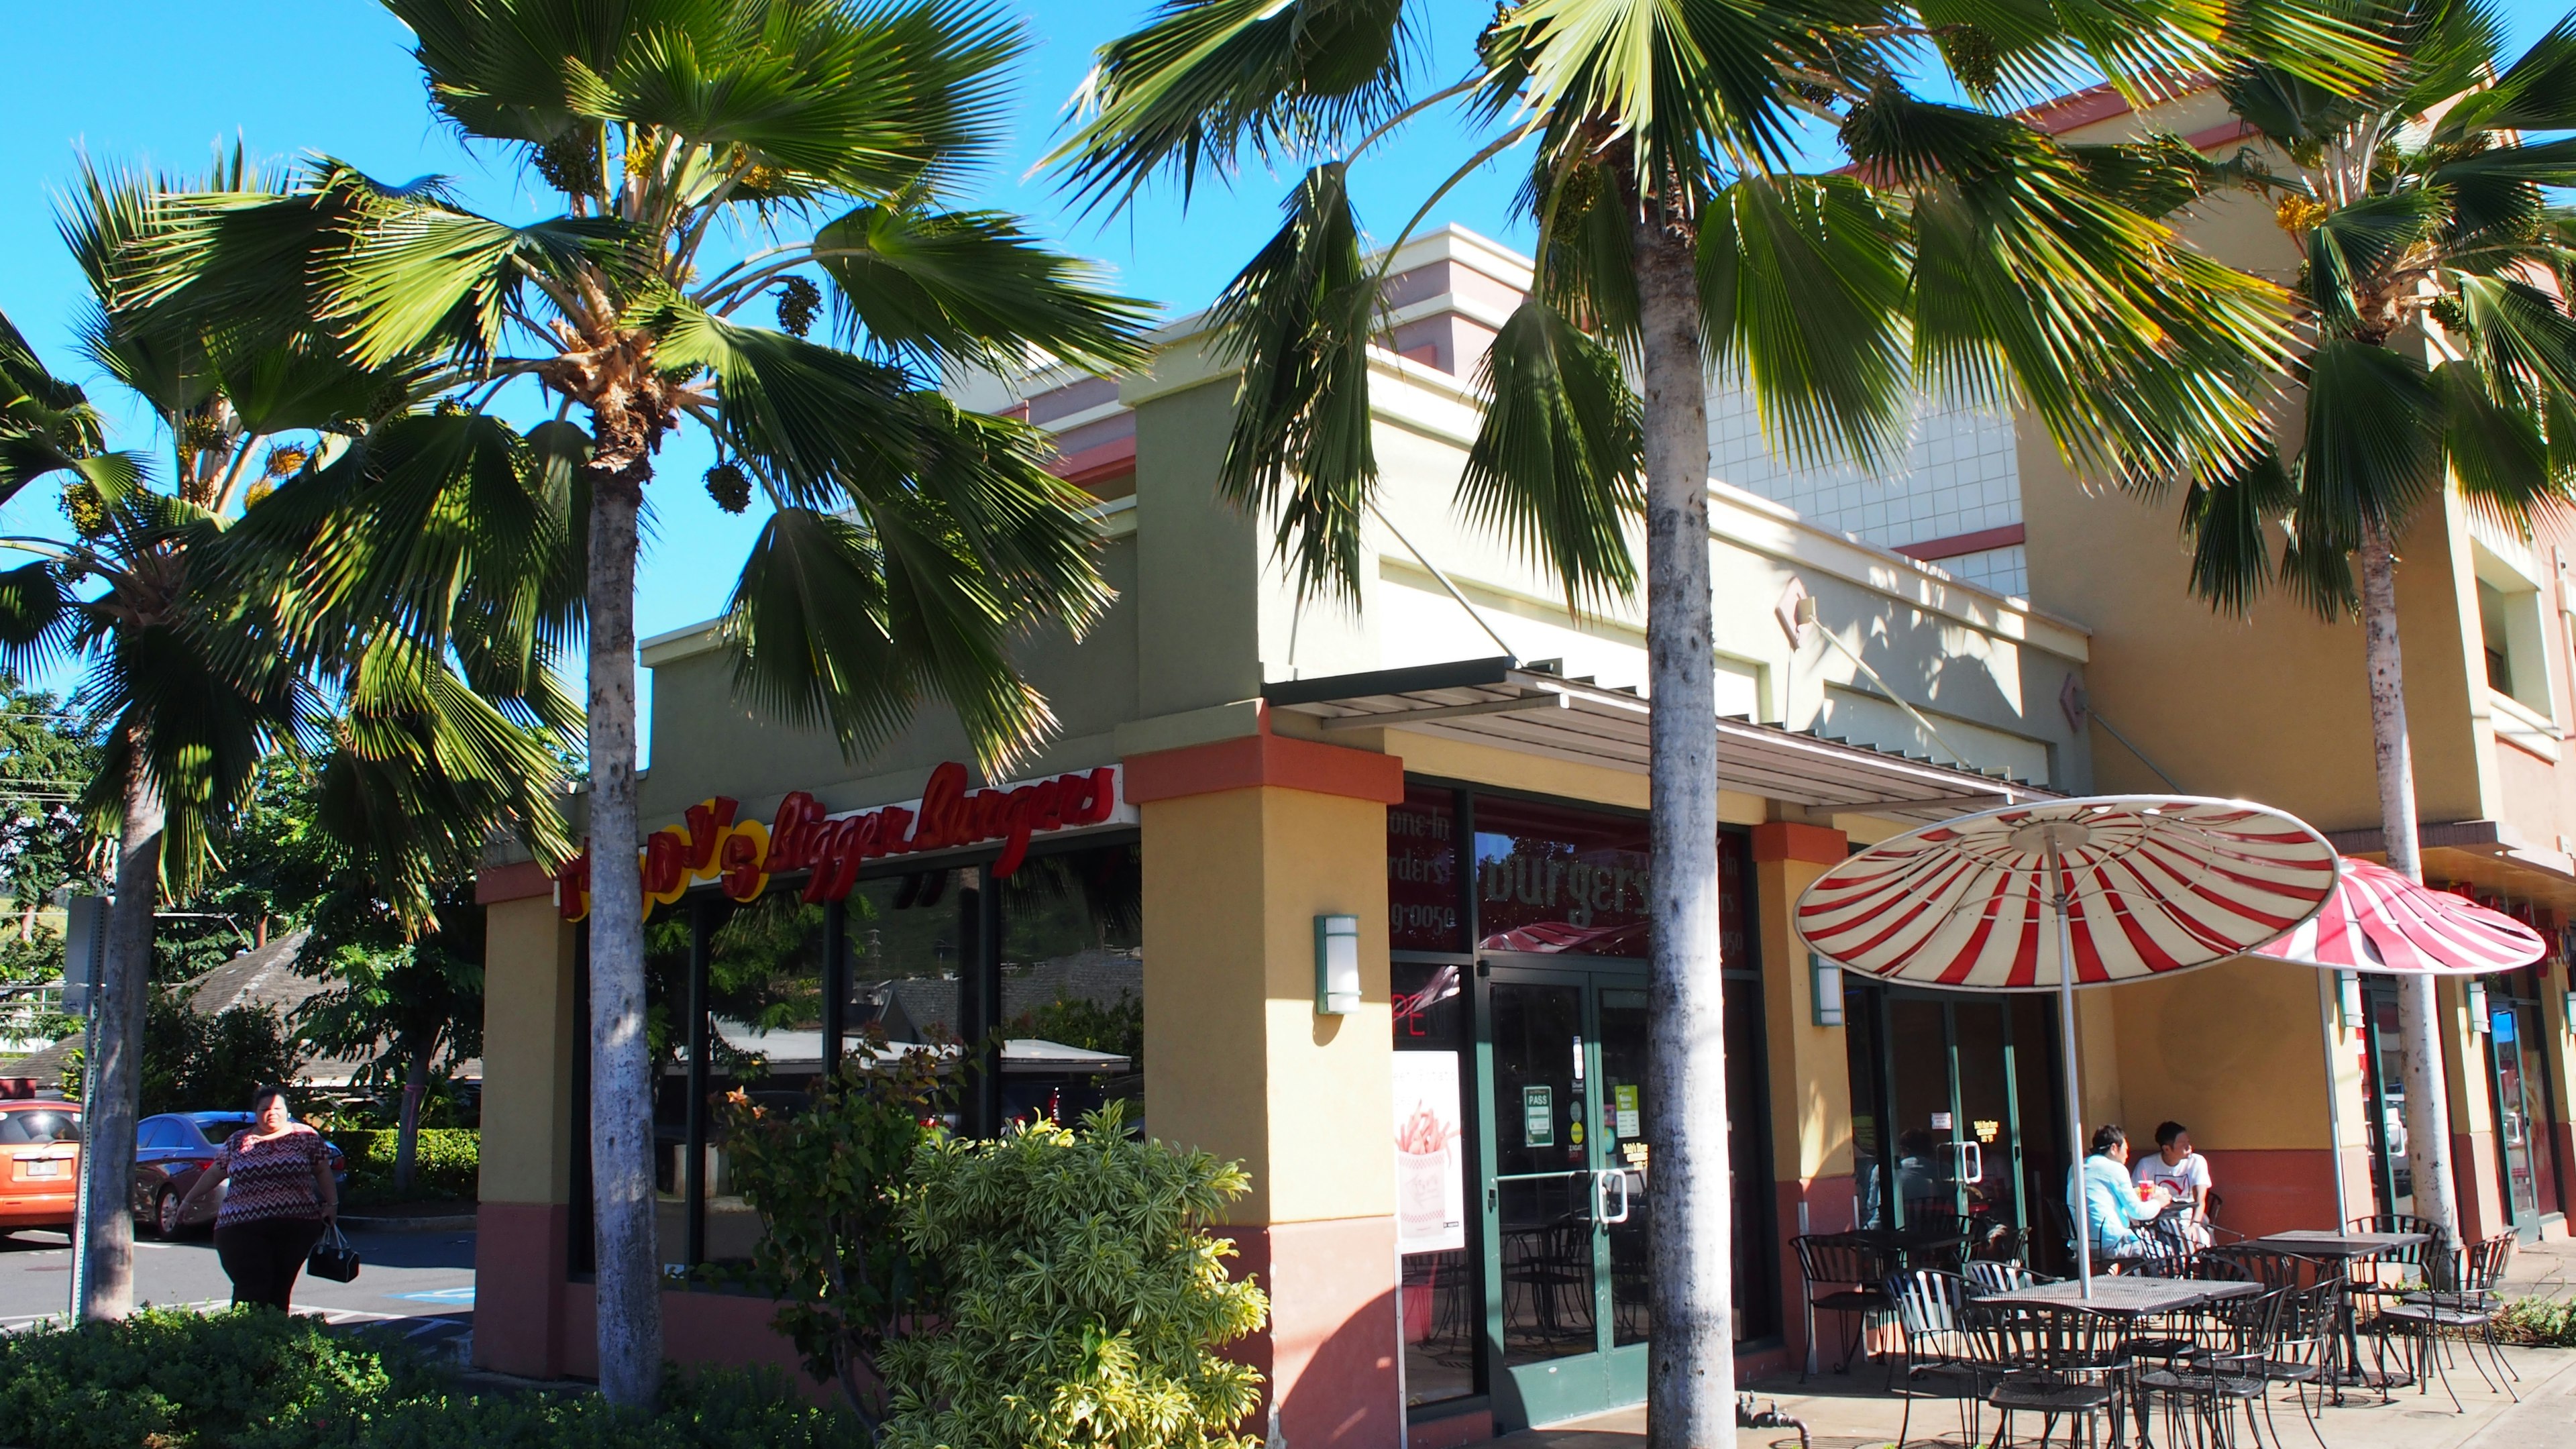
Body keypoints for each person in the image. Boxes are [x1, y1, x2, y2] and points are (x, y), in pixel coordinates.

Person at [176, 1085, 337, 1310]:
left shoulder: (305, 1136)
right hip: (241, 1227)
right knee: (251, 1287)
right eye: (265, 1109)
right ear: (256, 1112)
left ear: (287, 1110)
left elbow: (322, 1170)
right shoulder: (238, 1141)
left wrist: (332, 1204)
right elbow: (215, 1172)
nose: (272, 1113)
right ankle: (246, 1337)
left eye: (277, 1108)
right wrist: (188, 1200)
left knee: (280, 1289)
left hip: (296, 1227)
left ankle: (274, 1340)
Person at [2070, 1122, 2168, 1265]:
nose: (2127, 1155)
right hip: (2110, 1243)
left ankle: (2113, 1271)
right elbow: (2137, 1212)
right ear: (2114, 1148)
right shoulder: (2115, 1169)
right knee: (2164, 1253)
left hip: (2081, 1244)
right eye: (2126, 1150)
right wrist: (2159, 1202)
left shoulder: (2076, 1166)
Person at [2132, 1121, 2214, 1246]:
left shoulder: (2197, 1162)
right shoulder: (2147, 1165)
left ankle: (2188, 1265)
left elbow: (2200, 1200)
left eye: (2188, 1142)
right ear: (2167, 1149)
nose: (2189, 1147)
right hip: (2157, 1217)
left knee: (2197, 1239)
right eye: (2183, 1144)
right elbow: (2135, 1196)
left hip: (2187, 1214)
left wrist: (2194, 1225)